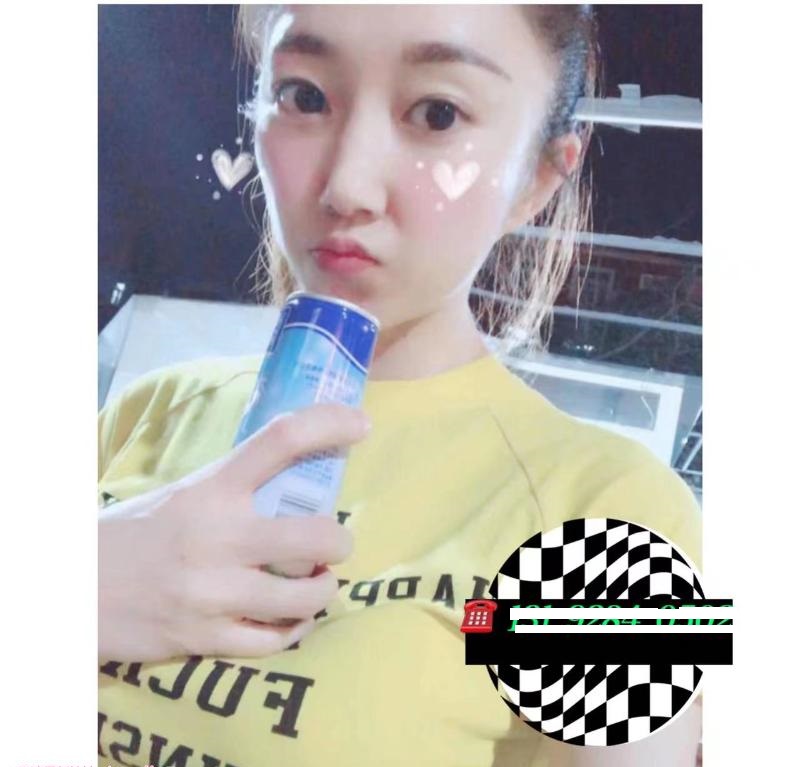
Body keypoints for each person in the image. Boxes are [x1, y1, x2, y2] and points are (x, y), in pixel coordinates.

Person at [98, 4, 702, 766]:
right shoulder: (146, 410)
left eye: (437, 113)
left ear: (538, 178)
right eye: (305, 96)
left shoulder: (617, 511)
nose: (347, 185)